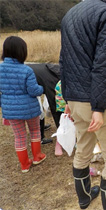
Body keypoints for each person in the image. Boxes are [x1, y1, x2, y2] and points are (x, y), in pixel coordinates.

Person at [60, 0, 106, 209]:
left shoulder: (71, 13)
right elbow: (104, 64)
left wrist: (68, 98)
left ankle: (84, 198)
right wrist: (99, 108)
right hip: (95, 101)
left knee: (83, 149)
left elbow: (64, 61)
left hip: (75, 99)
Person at [0, 36, 46, 173]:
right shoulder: (27, 70)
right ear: (22, 52)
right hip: (29, 109)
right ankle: (37, 156)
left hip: (10, 110)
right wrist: (42, 89)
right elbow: (33, 91)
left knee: (19, 136)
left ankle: (25, 165)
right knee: (35, 131)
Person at [27, 63, 64, 155]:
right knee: (38, 110)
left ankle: (40, 130)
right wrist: (61, 127)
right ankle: (40, 137)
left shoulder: (52, 70)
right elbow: (55, 107)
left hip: (29, 84)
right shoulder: (53, 80)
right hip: (27, 92)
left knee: (39, 109)